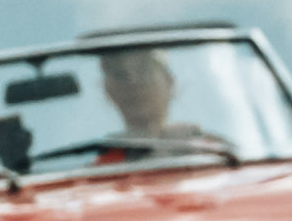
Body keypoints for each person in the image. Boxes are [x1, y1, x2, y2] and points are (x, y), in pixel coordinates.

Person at [98, 45, 228, 153]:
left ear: (169, 80)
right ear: (107, 90)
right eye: (120, 75)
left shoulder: (214, 153)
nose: (133, 83)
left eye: (143, 70)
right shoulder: (100, 168)